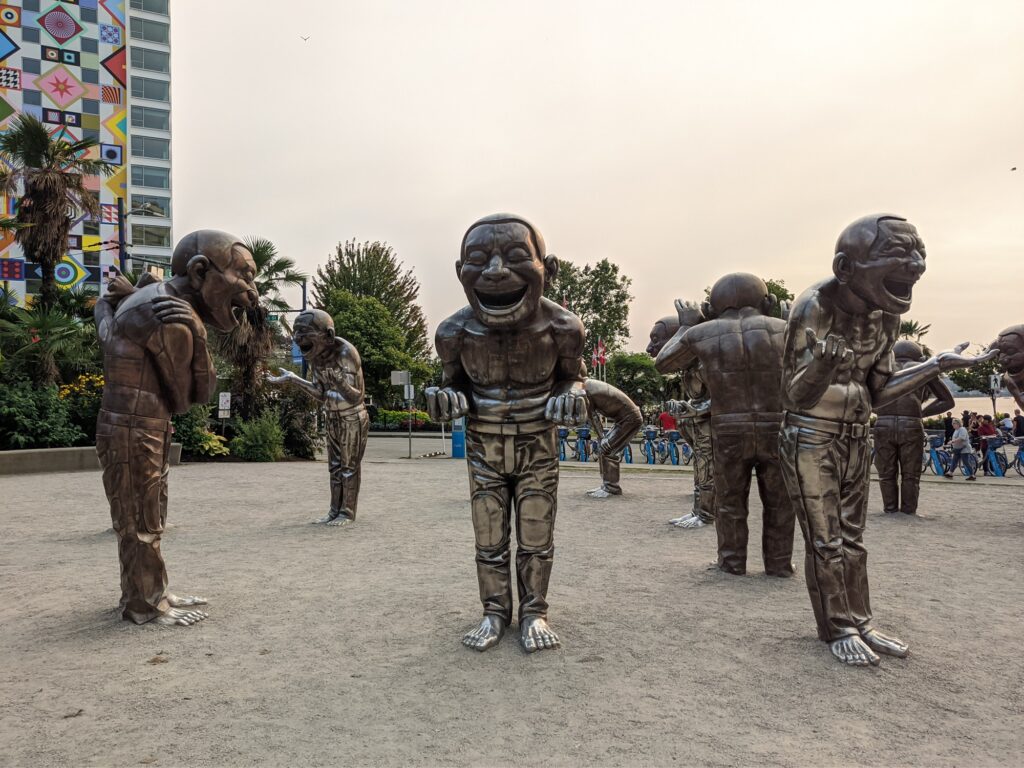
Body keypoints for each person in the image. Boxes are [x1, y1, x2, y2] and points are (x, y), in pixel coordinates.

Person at [779, 213, 993, 666]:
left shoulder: (887, 317)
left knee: (854, 540)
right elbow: (793, 396)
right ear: (846, 268)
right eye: (899, 256)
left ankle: (863, 621)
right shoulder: (814, 306)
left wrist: (936, 366)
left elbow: (878, 390)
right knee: (826, 540)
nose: (915, 266)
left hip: (859, 435)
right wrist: (820, 365)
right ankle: (837, 627)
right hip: (810, 437)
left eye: (919, 256)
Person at [426, 213, 588, 654]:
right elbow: (452, 383)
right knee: (489, 535)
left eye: (516, 258)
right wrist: (443, 397)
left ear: (547, 270)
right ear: (461, 274)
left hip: (538, 444)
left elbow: (575, 378)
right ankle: (494, 612)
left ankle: (535, 611)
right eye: (479, 260)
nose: (496, 272)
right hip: (484, 447)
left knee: (536, 535)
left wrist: (571, 393)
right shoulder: (454, 332)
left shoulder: (563, 329)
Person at [94, 230, 259, 626]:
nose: (251, 291)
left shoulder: (147, 299)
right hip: (139, 428)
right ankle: (146, 606)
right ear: (200, 271)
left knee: (140, 518)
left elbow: (106, 330)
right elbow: (191, 397)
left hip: (129, 425)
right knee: (143, 522)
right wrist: (199, 336)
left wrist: (106, 302)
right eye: (245, 276)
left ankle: (149, 592)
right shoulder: (170, 315)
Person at [657, 273, 795, 577]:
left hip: (728, 429)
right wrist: (794, 322)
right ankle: (779, 562)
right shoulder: (785, 330)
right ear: (768, 302)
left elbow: (664, 363)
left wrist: (686, 324)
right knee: (780, 502)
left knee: (730, 501)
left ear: (710, 306)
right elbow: (816, 366)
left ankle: (732, 561)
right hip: (777, 427)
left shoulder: (703, 333)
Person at [267, 309, 369, 526]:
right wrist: (293, 379)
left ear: (328, 335)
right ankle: (334, 511)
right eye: (296, 333)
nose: (297, 339)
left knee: (349, 467)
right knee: (334, 467)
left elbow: (357, 396)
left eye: (304, 333)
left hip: (352, 417)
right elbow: (321, 394)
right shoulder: (315, 356)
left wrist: (341, 383)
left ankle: (347, 512)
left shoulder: (345, 353)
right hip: (332, 416)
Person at [872, 340, 954, 515]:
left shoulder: (881, 367)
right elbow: (947, 401)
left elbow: (864, 396)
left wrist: (879, 410)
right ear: (919, 356)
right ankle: (909, 510)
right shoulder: (922, 367)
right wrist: (921, 412)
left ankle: (890, 508)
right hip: (911, 424)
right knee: (911, 474)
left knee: (886, 473)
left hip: (883, 423)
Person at [583, 379, 643, 498]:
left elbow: (593, 417)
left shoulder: (584, 390)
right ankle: (606, 485)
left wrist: (602, 437)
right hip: (624, 419)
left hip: (629, 418)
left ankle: (612, 488)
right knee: (603, 448)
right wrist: (601, 438)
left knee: (607, 449)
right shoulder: (586, 385)